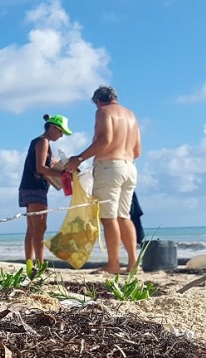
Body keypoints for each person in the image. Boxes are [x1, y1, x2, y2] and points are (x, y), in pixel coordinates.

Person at [65, 85, 142, 273]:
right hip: (130, 167)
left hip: (110, 167)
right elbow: (137, 151)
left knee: (109, 218)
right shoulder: (131, 115)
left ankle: (113, 264)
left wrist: (79, 158)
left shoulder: (103, 112)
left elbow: (104, 140)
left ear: (98, 100)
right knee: (124, 216)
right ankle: (133, 263)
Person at [18, 114, 72, 264]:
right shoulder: (43, 142)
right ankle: (40, 264)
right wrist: (63, 175)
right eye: (61, 132)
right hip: (36, 189)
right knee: (40, 228)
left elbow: (45, 166)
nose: (61, 136)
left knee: (32, 228)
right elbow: (40, 168)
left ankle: (30, 263)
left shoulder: (41, 142)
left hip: (27, 187)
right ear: (53, 127)